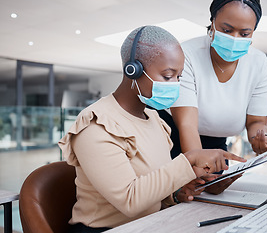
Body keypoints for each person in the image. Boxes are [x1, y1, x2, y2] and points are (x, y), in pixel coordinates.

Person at [58, 25, 246, 233]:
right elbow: (130, 201)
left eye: (179, 77)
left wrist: (174, 195)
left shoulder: (155, 119)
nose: (175, 84)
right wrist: (189, 160)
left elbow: (151, 185)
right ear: (133, 70)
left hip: (148, 226)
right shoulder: (95, 125)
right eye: (167, 76)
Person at [157, 0, 267, 196]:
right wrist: (199, 176)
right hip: (174, 137)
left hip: (215, 143)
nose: (235, 39)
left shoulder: (259, 63)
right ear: (212, 23)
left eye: (244, 34)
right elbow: (187, 125)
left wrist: (261, 139)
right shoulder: (187, 54)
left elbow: (256, 122)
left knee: (214, 192)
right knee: (177, 195)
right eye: (227, 30)